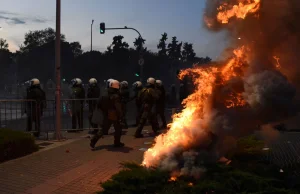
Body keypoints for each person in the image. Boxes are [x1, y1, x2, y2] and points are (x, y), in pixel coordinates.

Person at [90, 80, 124, 149]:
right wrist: (121, 115)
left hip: (105, 114)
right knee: (118, 129)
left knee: (103, 129)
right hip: (114, 114)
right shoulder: (116, 95)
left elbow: (99, 103)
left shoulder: (104, 93)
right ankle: (117, 143)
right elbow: (118, 107)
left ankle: (93, 140)